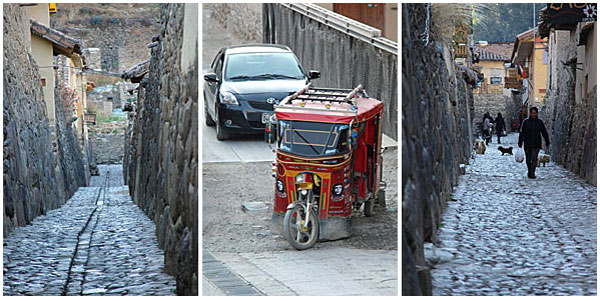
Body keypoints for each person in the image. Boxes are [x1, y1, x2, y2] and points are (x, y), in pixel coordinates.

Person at [518, 107, 550, 179]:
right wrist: (520, 141)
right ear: (530, 113)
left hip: (536, 143)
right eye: (532, 113)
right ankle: (530, 171)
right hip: (527, 143)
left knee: (534, 158)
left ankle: (532, 173)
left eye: (535, 113)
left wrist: (547, 141)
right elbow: (522, 132)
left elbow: (544, 132)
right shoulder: (526, 122)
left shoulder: (539, 122)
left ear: (537, 113)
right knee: (528, 159)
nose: (533, 115)